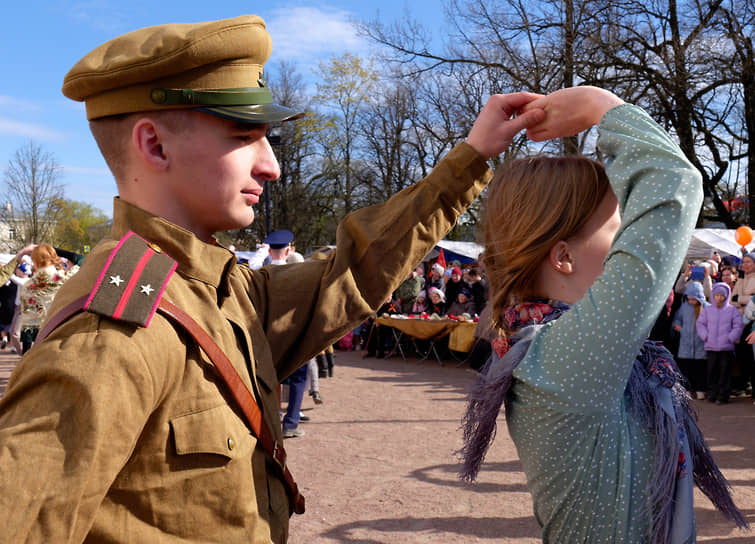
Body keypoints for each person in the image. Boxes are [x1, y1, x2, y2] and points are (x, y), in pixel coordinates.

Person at [0, 15, 547, 542]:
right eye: (244, 135)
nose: (272, 166)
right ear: (155, 145)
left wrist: (473, 155)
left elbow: (353, 270)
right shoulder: (112, 336)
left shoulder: (218, 287)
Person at [460, 86, 746, 542]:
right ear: (563, 257)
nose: (629, 241)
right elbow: (676, 184)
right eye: (618, 227)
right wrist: (599, 105)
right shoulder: (562, 357)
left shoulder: (549, 351)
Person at [19, 244, 79, 353]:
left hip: (34, 339)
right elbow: (80, 259)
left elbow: (27, 320)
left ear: (35, 261)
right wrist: (56, 250)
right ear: (53, 258)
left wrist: (22, 252)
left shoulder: (27, 286)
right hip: (58, 332)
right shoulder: (64, 277)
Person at [697, 282, 744, 404]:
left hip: (726, 348)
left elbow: (738, 325)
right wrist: (705, 336)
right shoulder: (707, 310)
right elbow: (700, 324)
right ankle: (712, 393)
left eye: (722, 295)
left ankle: (723, 395)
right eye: (717, 295)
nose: (719, 297)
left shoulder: (732, 310)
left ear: (726, 296)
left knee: (725, 372)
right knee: (712, 371)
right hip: (711, 346)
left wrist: (731, 337)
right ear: (713, 295)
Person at [672, 282, 709, 399]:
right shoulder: (684, 307)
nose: (691, 301)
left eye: (694, 299)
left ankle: (700, 389)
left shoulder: (707, 307)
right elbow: (677, 319)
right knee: (686, 369)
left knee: (700, 369)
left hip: (701, 344)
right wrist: (678, 327)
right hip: (685, 344)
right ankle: (686, 389)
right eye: (689, 298)